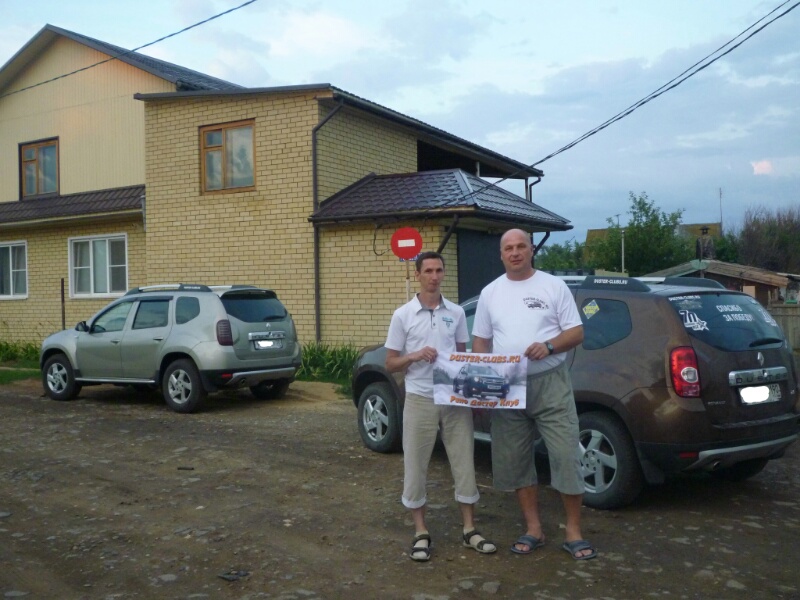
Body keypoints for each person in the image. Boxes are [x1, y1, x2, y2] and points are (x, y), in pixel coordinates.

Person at [471, 229, 596, 561]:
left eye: (521, 246)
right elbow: (481, 340)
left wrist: (550, 345)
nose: (515, 253)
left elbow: (576, 332)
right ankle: (533, 529)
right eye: (508, 248)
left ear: (531, 250)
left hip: (550, 382)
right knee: (516, 459)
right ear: (501, 254)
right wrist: (483, 379)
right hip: (507, 386)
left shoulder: (553, 286)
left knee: (565, 455)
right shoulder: (490, 292)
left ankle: (573, 531)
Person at [385, 250, 496, 562]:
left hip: (453, 399)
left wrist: (473, 395)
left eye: (438, 271)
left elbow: (460, 358)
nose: (434, 276)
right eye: (428, 271)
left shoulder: (456, 313)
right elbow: (390, 363)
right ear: (418, 275)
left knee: (464, 461)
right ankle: (421, 531)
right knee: (415, 464)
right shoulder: (402, 315)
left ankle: (470, 529)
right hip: (419, 397)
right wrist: (414, 355)